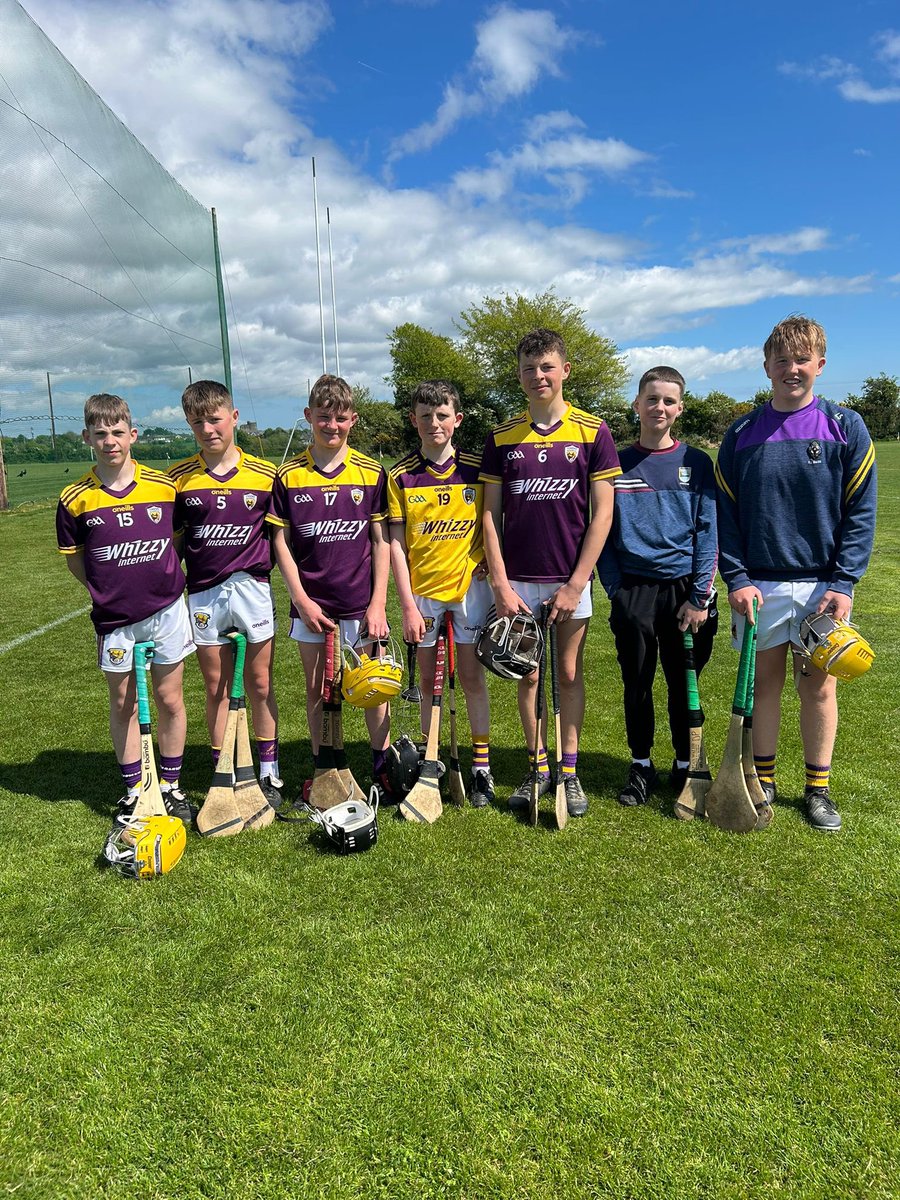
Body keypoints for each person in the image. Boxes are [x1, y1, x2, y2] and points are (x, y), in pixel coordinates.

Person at [716, 315, 877, 831]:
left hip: (820, 587)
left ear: (820, 365)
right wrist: (736, 578)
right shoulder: (741, 432)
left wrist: (844, 582)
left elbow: (860, 512)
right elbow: (726, 515)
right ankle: (763, 781)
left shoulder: (845, 426)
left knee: (819, 687)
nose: (792, 369)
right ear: (766, 367)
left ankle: (817, 788)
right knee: (765, 686)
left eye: (802, 360)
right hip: (758, 584)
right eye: (781, 361)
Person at [480, 328, 620, 817]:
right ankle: (538, 767)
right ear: (518, 375)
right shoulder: (502, 437)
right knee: (528, 673)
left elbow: (603, 514)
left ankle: (570, 772)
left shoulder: (592, 431)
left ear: (564, 371)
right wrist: (499, 582)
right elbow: (488, 517)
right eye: (527, 368)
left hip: (569, 578)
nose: (537, 376)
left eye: (545, 367)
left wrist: (577, 583)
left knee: (568, 671)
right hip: (517, 579)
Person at [56, 393, 195, 825]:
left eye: (118, 432)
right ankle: (135, 789)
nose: (110, 441)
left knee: (170, 698)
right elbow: (75, 558)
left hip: (167, 610)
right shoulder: (74, 498)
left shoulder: (164, 487)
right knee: (123, 703)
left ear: (132, 434)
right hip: (115, 620)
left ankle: (170, 785)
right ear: (87, 438)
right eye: (100, 434)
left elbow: (176, 540)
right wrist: (105, 589)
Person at [598, 365, 718, 807]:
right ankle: (641, 764)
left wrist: (700, 598)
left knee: (682, 681)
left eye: (669, 400)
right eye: (652, 399)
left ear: (680, 408)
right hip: (635, 591)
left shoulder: (697, 462)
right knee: (638, 683)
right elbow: (604, 534)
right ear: (637, 405)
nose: (659, 407)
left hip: (687, 592)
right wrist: (616, 589)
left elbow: (709, 534)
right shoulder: (615, 463)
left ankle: (686, 764)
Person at [270, 375, 392, 798]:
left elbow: (380, 543)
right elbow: (280, 543)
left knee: (373, 686)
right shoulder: (288, 476)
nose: (332, 426)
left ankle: (383, 764)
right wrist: (301, 600)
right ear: (309, 417)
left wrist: (378, 605)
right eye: (324, 417)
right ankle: (327, 766)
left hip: (360, 604)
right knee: (318, 689)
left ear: (353, 419)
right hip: (312, 608)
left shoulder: (371, 472)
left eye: (340, 418)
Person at [169, 380, 282, 807]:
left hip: (252, 589)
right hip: (202, 594)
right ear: (189, 424)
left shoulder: (266, 475)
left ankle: (268, 770)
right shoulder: (178, 480)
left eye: (215, 418)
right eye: (197, 422)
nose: (207, 428)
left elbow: (280, 541)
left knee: (259, 681)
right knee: (215, 685)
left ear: (233, 417)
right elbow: (173, 547)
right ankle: (224, 768)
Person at [388, 380, 494, 806]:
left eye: (442, 415)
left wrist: (489, 559)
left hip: (471, 589)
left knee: (471, 677)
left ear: (457, 420)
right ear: (414, 420)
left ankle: (481, 766)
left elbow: (491, 524)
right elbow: (395, 544)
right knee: (431, 680)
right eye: (426, 416)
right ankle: (430, 759)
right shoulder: (400, 475)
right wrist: (407, 604)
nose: (434, 423)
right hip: (424, 594)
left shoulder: (477, 470)